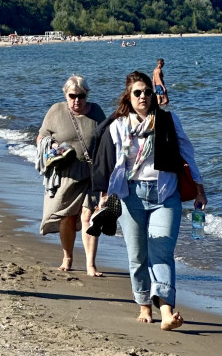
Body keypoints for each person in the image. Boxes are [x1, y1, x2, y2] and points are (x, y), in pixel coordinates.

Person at [93, 71, 206, 330]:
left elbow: (188, 152)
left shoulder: (167, 120)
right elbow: (109, 164)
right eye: (137, 92)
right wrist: (103, 197)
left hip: (165, 195)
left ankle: (166, 311)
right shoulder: (118, 126)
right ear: (128, 97)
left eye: (147, 92)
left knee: (162, 253)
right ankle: (144, 305)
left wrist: (200, 188)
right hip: (130, 195)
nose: (143, 96)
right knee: (137, 255)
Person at [36, 75, 106, 276]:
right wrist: (53, 145)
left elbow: (108, 139)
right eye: (73, 96)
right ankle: (67, 257)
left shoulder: (96, 112)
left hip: (92, 173)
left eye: (81, 96)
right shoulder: (56, 111)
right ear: (66, 95)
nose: (77, 100)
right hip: (66, 172)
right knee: (67, 217)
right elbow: (41, 136)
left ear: (87, 94)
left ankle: (90, 265)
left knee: (89, 216)